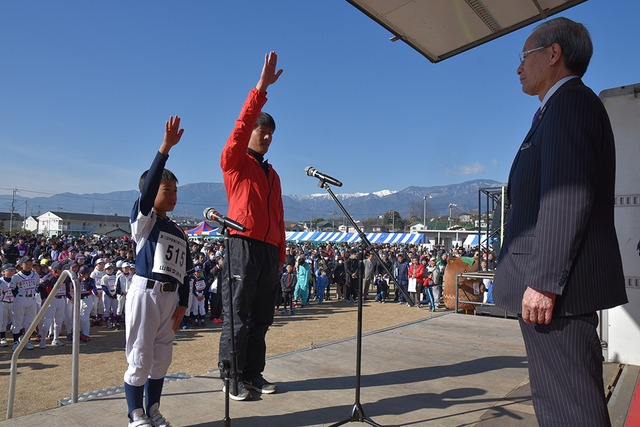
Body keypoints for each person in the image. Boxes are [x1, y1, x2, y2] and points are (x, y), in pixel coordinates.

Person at [492, 17, 628, 427]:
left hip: (557, 298)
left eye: (524, 56)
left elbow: (566, 197)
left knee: (570, 409)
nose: (518, 67)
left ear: (553, 55)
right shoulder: (557, 108)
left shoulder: (569, 103)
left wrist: (546, 282)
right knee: (557, 403)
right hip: (554, 295)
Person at [217, 51, 285, 402]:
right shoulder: (235, 162)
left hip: (268, 252)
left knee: (261, 318)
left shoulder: (272, 174)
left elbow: (279, 220)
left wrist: (281, 255)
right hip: (241, 244)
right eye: (263, 130)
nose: (267, 137)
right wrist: (260, 88)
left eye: (271, 133)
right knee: (238, 316)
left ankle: (252, 373)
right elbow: (240, 126)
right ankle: (230, 376)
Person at [124, 115, 193, 427]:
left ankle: (153, 410)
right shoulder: (144, 221)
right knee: (140, 356)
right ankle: (135, 414)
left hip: (169, 299)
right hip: (145, 294)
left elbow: (187, 270)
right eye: (167, 189)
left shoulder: (178, 230)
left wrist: (182, 303)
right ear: (151, 193)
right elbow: (148, 186)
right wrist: (164, 148)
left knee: (162, 358)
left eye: (176, 190)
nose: (173, 195)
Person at [10, 256, 40, 351]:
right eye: (26, 263)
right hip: (20, 299)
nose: (28, 265)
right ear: (21, 265)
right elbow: (13, 289)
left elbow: (37, 286)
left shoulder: (35, 275)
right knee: (17, 321)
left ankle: (27, 341)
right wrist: (18, 297)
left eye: (30, 263)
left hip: (31, 298)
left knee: (29, 322)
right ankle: (16, 342)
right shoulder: (16, 276)